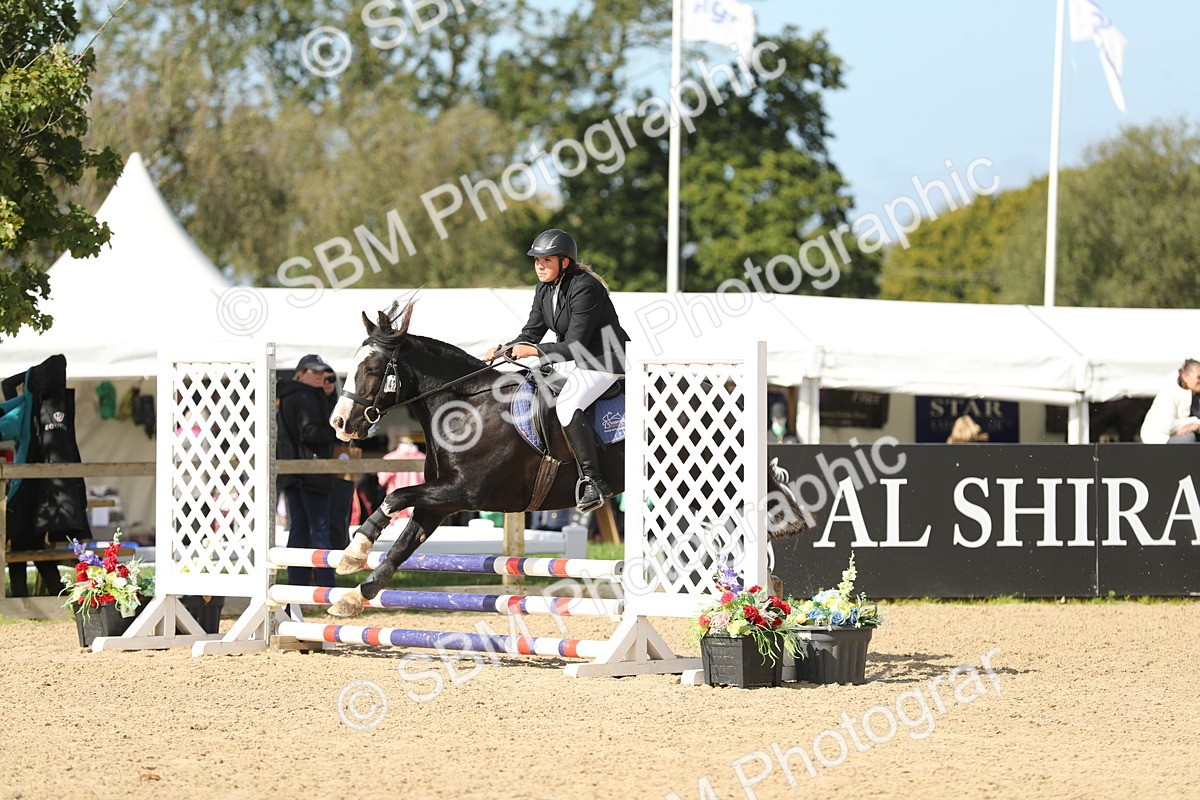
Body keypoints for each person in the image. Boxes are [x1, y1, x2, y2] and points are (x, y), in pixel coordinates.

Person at [482, 228, 631, 512]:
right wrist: (504, 348)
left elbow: (576, 344)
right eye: (537, 260)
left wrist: (534, 351)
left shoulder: (585, 287)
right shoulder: (544, 289)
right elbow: (531, 332)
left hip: (605, 359)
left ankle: (593, 481)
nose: (540, 266)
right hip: (577, 361)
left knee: (567, 404)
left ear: (565, 262)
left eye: (547, 260)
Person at [277, 354, 340, 587]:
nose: (320, 376)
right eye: (314, 372)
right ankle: (326, 587)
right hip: (312, 471)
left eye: (323, 372)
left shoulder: (287, 395)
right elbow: (309, 432)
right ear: (301, 373)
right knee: (320, 530)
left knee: (299, 531)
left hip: (293, 472)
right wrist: (338, 431)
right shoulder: (307, 395)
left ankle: (296, 587)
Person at [322, 373, 355, 551]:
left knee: (341, 511)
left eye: (330, 379)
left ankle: (341, 550)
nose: (326, 383)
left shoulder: (344, 404)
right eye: (323, 379)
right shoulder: (313, 403)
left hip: (343, 460)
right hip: (319, 465)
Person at [1140, 359, 1200, 443]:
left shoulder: (1194, 391)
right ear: (1185, 377)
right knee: (1189, 438)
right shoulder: (1169, 392)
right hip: (1160, 440)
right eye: (1199, 377)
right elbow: (1168, 426)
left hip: (1179, 434)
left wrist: (1197, 426)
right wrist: (1195, 422)